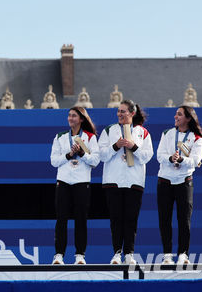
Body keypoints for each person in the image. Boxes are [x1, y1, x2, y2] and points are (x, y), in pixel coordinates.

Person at [98, 99, 153, 265]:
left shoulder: (142, 133)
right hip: (113, 181)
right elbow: (101, 155)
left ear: (132, 113)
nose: (119, 114)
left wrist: (133, 146)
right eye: (118, 111)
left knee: (131, 218)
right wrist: (116, 146)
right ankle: (116, 253)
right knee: (116, 218)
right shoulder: (109, 131)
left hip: (134, 181)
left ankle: (129, 253)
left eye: (123, 111)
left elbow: (147, 156)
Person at [156, 106, 202, 265]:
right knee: (165, 219)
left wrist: (182, 160)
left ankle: (183, 254)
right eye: (176, 114)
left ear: (188, 118)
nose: (175, 116)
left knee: (184, 220)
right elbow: (159, 156)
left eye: (179, 114)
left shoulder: (196, 138)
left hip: (184, 182)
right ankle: (167, 255)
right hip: (164, 181)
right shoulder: (167, 134)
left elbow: (195, 160)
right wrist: (171, 158)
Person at [50, 107, 100, 265]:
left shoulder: (90, 137)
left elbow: (95, 161)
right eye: (69, 115)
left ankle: (80, 255)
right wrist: (69, 155)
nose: (70, 118)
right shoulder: (60, 137)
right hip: (63, 182)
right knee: (61, 219)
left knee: (81, 220)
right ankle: (59, 255)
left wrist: (83, 154)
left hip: (81, 182)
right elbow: (54, 161)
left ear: (82, 119)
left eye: (74, 116)